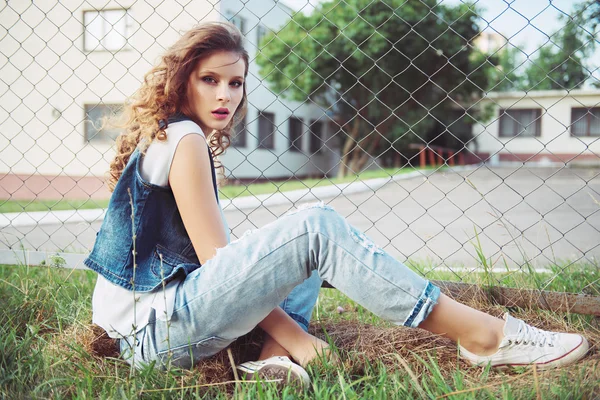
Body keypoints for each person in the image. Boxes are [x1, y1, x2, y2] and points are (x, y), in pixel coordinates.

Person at [85, 21, 589, 386]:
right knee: (315, 228)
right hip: (150, 341)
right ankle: (484, 337)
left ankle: (275, 364)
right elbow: (220, 262)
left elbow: (220, 261)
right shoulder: (185, 140)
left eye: (235, 83)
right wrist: (307, 340)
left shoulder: (173, 135)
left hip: (154, 328)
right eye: (210, 80)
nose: (226, 95)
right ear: (182, 80)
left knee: (298, 256)